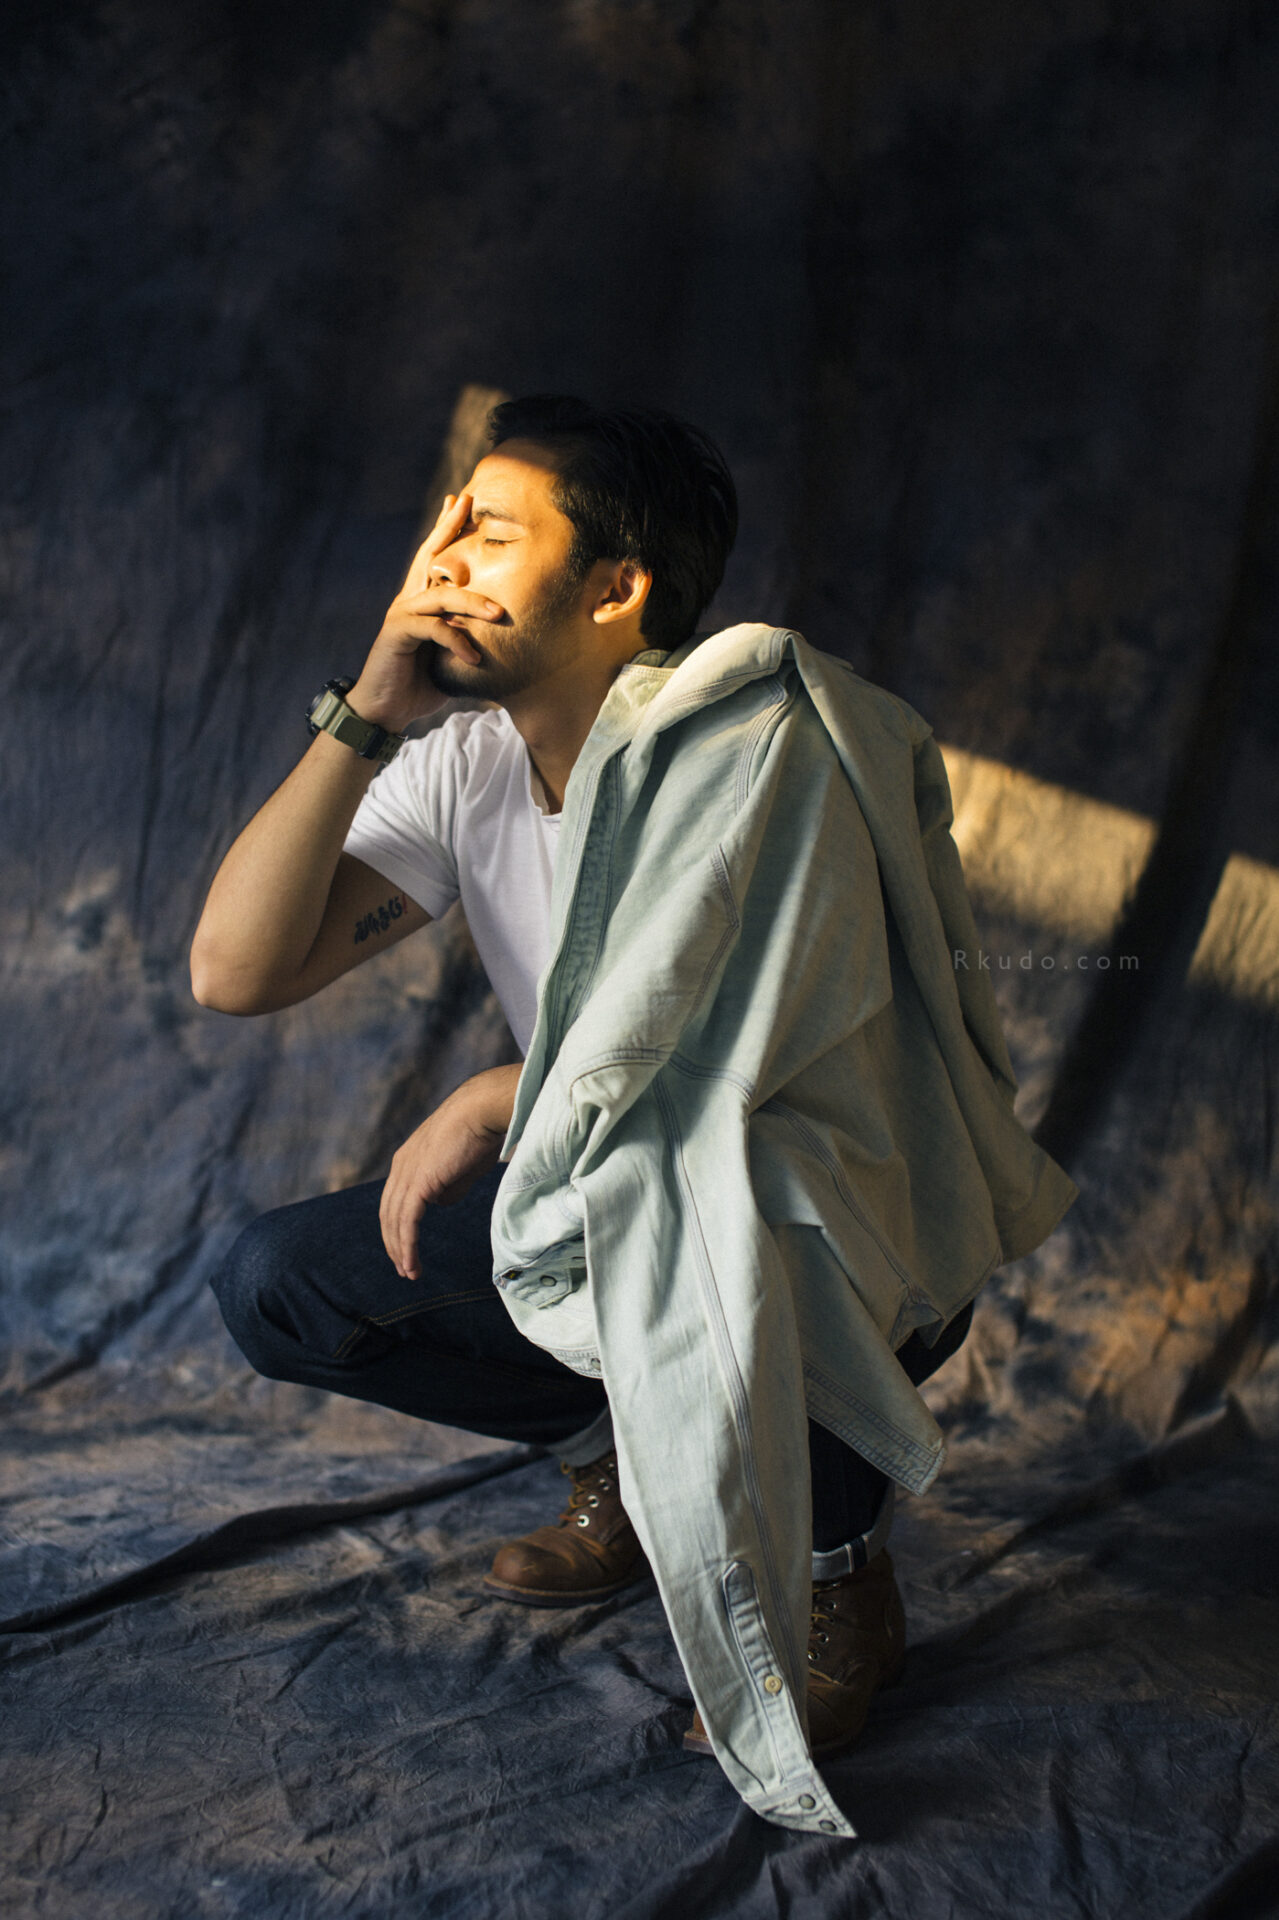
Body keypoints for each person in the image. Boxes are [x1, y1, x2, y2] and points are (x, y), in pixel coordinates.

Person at [193, 396, 1075, 1838]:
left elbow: (770, 1068)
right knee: (277, 1283)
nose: (440, 563)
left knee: (750, 1201)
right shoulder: (469, 762)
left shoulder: (755, 742)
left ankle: (841, 1572)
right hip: (607, 1191)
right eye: (443, 527)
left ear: (616, 589)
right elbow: (234, 971)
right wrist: (364, 715)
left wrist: (500, 1091)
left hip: (838, 1222)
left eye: (489, 533)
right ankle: (624, 1456)